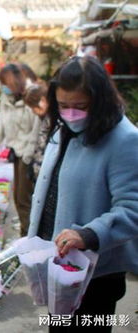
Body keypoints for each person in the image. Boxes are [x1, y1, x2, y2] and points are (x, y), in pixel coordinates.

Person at [28, 56, 138, 332]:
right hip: (60, 265)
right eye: (63, 106)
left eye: (80, 107)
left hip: (94, 273)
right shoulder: (64, 129)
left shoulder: (124, 139)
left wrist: (88, 235)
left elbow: (133, 208)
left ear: (99, 101)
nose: (71, 113)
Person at [0, 63, 40, 236]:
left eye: (5, 83)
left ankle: (30, 238)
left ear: (16, 83)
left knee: (25, 199)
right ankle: (26, 235)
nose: (2, 87)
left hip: (32, 155)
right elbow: (0, 125)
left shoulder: (32, 97)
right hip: (17, 153)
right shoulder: (7, 99)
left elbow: (37, 131)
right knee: (19, 198)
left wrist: (28, 157)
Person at [23, 82, 49, 181]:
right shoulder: (43, 118)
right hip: (39, 170)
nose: (33, 111)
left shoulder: (51, 120)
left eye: (33, 107)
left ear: (43, 101)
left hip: (44, 170)